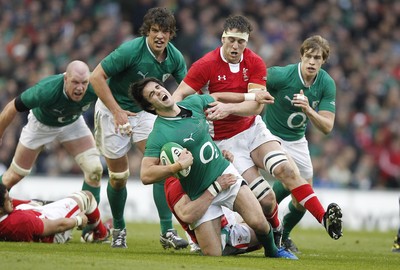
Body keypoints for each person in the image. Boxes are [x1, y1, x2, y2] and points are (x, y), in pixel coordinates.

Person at [171, 16, 343, 244]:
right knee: (267, 199)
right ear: (223, 38)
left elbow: (257, 104)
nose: (235, 46)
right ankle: (274, 237)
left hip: (252, 129)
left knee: (287, 171)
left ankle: (323, 219)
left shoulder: (254, 62)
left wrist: (228, 108)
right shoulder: (206, 65)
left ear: (247, 41)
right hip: (224, 141)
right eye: (231, 40)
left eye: (240, 42)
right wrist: (175, 123)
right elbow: (178, 96)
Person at [130, 76, 296, 259]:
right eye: (152, 94)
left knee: (260, 223)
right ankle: (228, 237)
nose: (159, 92)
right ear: (151, 107)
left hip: (224, 174)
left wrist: (251, 97)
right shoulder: (159, 134)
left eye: (158, 87)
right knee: (213, 254)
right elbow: (146, 174)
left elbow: (217, 96)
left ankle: (273, 253)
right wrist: (176, 166)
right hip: (200, 193)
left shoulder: (193, 103)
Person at [89, 7, 187, 249]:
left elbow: (187, 87)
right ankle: (119, 228)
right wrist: (116, 111)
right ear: (147, 31)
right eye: (155, 30)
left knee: (161, 165)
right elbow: (95, 77)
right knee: (119, 177)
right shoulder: (130, 50)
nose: (159, 36)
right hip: (114, 111)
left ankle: (167, 231)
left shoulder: (175, 58)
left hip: (144, 112)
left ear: (171, 34)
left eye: (165, 31)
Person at [262, 35, 337, 252]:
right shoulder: (281, 75)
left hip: (297, 140)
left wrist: (308, 110)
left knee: (302, 197)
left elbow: (327, 127)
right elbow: (254, 83)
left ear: (323, 61)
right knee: (290, 177)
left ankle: (283, 235)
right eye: (309, 56)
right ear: (301, 56)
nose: (312, 62)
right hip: (269, 135)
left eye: (318, 58)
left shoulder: (326, 83)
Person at [0, 60, 103, 204]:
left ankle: (91, 224)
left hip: (72, 123)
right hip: (41, 126)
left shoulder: (96, 83)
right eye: (75, 82)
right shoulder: (46, 90)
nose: (80, 88)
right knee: (14, 176)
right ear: (65, 78)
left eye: (84, 83)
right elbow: (12, 107)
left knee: (94, 170)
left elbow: (118, 92)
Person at [165, 174, 263, 255]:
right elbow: (187, 215)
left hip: (218, 228)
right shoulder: (175, 184)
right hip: (219, 235)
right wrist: (216, 187)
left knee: (261, 223)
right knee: (264, 231)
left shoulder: (197, 171)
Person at [0, 183, 110, 243]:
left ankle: (90, 235)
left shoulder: (6, 215)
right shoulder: (20, 221)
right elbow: (56, 226)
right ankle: (101, 233)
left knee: (29, 204)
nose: (11, 199)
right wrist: (79, 220)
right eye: (7, 199)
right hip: (53, 231)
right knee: (87, 196)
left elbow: (16, 202)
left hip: (37, 215)